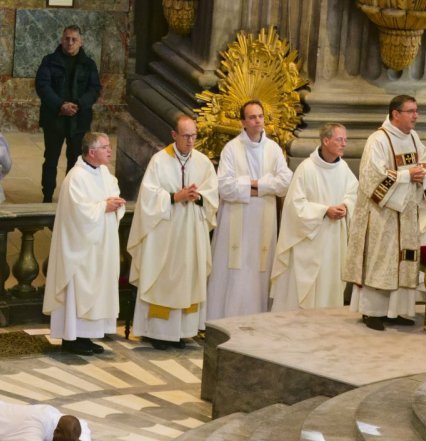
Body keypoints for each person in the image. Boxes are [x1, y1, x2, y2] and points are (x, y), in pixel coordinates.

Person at [128, 113, 218, 349]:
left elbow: (212, 196)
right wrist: (174, 197)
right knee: (163, 277)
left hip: (191, 230)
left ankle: (182, 332)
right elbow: (147, 197)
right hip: (165, 232)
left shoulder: (203, 162)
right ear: (174, 135)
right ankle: (157, 332)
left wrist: (199, 197)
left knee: (188, 275)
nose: (190, 141)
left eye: (194, 135)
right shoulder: (159, 161)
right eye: (186, 135)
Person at [343, 94, 426, 330]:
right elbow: (371, 176)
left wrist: (421, 174)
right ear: (395, 114)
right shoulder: (377, 140)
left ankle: (395, 310)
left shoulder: (413, 137)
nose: (415, 116)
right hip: (383, 214)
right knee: (381, 258)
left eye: (416, 111)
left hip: (407, 211)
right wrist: (406, 175)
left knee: (402, 259)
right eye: (410, 111)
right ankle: (372, 311)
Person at [207, 100, 293, 321]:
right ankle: (225, 319)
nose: (258, 121)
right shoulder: (231, 149)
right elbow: (225, 186)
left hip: (263, 218)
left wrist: (252, 186)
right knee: (235, 268)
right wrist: (263, 187)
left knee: (258, 270)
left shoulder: (273, 149)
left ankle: (258, 319)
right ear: (243, 121)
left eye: (261, 116)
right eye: (253, 117)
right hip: (235, 219)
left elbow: (285, 182)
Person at [43, 131, 125, 355]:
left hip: (101, 245)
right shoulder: (76, 177)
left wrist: (116, 204)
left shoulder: (105, 173)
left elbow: (113, 194)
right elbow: (77, 212)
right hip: (80, 249)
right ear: (91, 152)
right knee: (78, 292)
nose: (110, 150)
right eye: (105, 146)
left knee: (97, 289)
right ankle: (72, 338)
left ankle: (86, 337)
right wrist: (103, 207)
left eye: (109, 146)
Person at [269, 122, 358, 312]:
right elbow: (294, 206)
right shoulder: (306, 168)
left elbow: (354, 194)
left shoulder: (343, 169)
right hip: (309, 241)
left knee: (330, 283)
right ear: (326, 141)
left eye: (345, 140)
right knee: (305, 290)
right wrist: (324, 210)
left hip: (334, 240)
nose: (344, 144)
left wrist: (345, 206)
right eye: (339, 139)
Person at [35, 25, 100, 203]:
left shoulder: (89, 64)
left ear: (81, 42)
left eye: (74, 39)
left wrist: (78, 105)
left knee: (76, 161)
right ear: (61, 40)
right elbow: (42, 86)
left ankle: (70, 196)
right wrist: (60, 105)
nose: (70, 43)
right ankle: (47, 196)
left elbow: (94, 89)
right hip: (54, 119)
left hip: (79, 121)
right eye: (67, 39)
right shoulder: (49, 61)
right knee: (51, 159)